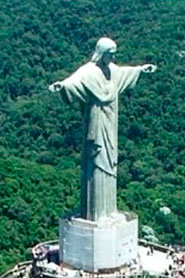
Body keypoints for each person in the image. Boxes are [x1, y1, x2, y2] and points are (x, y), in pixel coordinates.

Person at [49, 38, 156, 221]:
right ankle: (95, 213)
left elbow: (125, 72)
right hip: (96, 124)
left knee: (110, 163)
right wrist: (62, 86)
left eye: (114, 55)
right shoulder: (88, 72)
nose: (112, 58)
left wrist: (141, 69)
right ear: (101, 53)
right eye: (109, 54)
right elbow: (73, 82)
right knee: (96, 163)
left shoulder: (113, 71)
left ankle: (109, 210)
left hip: (110, 123)